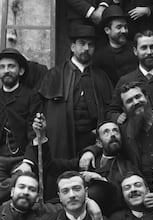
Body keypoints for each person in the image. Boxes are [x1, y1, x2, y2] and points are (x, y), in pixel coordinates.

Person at [38, 25, 113, 198]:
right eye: (82, 43)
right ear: (72, 47)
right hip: (62, 141)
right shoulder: (54, 75)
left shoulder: (102, 77)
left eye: (91, 44)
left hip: (93, 144)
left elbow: (110, 111)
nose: (86, 48)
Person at [31, 114, 137, 211]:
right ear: (99, 143)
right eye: (106, 132)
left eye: (115, 131)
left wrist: (101, 180)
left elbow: (124, 195)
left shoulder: (127, 165)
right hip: (68, 209)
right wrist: (41, 136)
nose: (112, 134)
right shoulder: (87, 161)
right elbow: (51, 166)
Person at [0, 48, 41, 192]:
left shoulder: (31, 97)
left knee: (20, 193)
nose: (6, 70)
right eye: (2, 67)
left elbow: (35, 134)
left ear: (20, 71)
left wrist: (28, 161)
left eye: (11, 66)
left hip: (21, 158)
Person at [115, 81, 153, 189]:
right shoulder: (122, 130)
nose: (135, 102)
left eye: (138, 96)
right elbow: (106, 145)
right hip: (142, 191)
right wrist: (91, 151)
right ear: (124, 108)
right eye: (129, 101)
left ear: (146, 97)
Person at [92, 5, 138, 85]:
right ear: (107, 30)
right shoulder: (99, 57)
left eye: (125, 27)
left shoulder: (135, 49)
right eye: (119, 27)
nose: (124, 31)